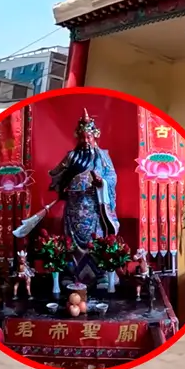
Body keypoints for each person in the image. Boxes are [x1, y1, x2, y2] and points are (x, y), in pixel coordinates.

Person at [48, 109, 120, 263]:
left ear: (95, 137)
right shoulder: (71, 157)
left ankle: (99, 274)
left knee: (96, 239)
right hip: (74, 207)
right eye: (82, 137)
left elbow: (112, 177)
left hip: (94, 207)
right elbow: (56, 175)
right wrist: (62, 186)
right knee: (71, 241)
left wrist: (102, 182)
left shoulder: (103, 156)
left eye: (89, 137)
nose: (86, 141)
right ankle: (73, 273)